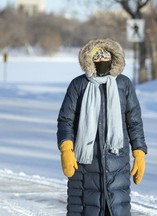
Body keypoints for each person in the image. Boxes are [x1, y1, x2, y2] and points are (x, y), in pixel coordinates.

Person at [57, 38, 147, 216]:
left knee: (115, 209)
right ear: (88, 60)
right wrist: (66, 149)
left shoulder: (124, 84)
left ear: (114, 59)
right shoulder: (79, 85)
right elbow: (65, 120)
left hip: (117, 164)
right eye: (96, 58)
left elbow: (134, 121)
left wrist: (139, 152)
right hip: (84, 164)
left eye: (105, 57)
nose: (101, 61)